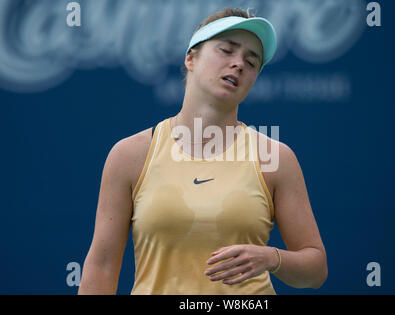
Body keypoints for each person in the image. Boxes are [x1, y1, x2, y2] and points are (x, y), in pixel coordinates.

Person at [78, 7, 327, 295]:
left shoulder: (276, 158)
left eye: (251, 61)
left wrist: (273, 258)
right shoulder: (129, 155)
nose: (239, 64)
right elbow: (102, 266)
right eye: (226, 50)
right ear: (190, 58)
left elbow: (316, 270)